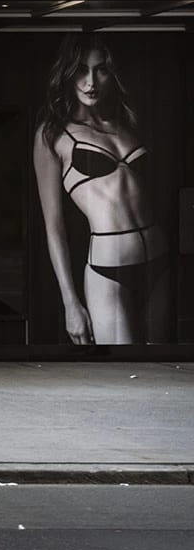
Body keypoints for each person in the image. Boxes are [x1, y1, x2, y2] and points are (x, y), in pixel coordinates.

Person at [32, 35, 169, 344]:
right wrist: (70, 302)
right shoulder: (53, 134)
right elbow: (54, 227)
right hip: (108, 271)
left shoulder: (127, 122)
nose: (90, 81)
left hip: (159, 263)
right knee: (123, 374)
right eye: (81, 70)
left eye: (100, 69)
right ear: (67, 74)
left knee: (162, 372)